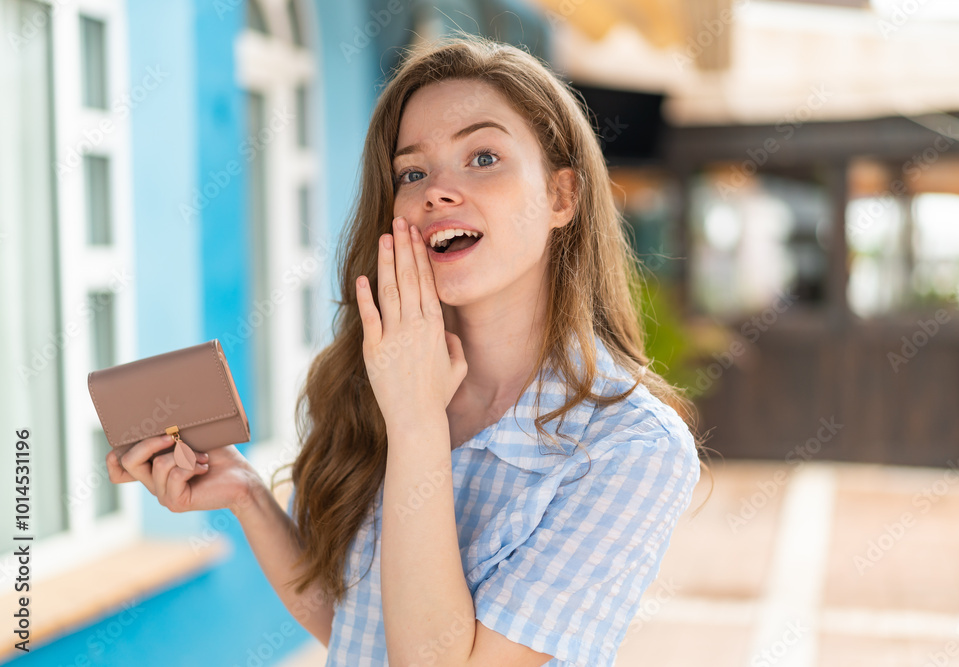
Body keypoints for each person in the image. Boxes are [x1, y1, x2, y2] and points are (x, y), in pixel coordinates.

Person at [106, 33, 710, 666]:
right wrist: (245, 494)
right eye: (412, 171)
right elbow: (358, 627)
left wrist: (416, 422)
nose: (437, 191)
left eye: (483, 157)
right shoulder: (379, 380)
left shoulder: (630, 447)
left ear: (562, 196)